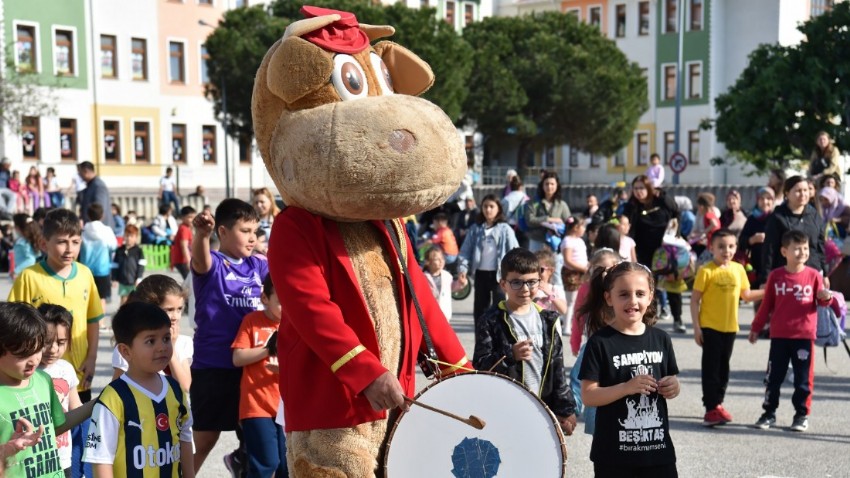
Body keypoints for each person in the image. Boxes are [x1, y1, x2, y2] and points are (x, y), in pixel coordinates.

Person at [7, 208, 103, 478]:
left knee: (76, 435)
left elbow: (93, 319)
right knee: (39, 434)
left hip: (75, 374)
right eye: (61, 241)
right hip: (36, 375)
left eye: (75, 241)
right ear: (43, 243)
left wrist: (93, 356)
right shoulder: (29, 277)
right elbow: (13, 323)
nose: (69, 248)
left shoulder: (85, 274)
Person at [579, 261, 681, 476]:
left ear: (651, 296)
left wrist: (673, 386)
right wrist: (626, 387)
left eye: (640, 294)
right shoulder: (599, 342)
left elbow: (670, 380)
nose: (632, 301)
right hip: (614, 457)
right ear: (609, 298)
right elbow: (588, 396)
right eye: (623, 294)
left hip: (658, 453)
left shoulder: (661, 339)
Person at [190, 198, 268, 473]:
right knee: (205, 437)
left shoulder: (258, 266)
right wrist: (201, 234)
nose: (252, 238)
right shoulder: (213, 266)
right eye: (244, 231)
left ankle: (240, 462)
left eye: (255, 231)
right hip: (214, 366)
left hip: (252, 367)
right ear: (222, 232)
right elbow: (200, 258)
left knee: (257, 439)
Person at [472, 248, 578, 436]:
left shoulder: (548, 320)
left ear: (540, 281)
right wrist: (510, 354)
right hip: (504, 410)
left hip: (541, 407)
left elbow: (557, 368)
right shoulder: (490, 320)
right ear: (503, 284)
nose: (525, 289)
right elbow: (480, 366)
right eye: (516, 283)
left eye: (531, 282)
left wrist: (566, 409)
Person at [83, 302, 195, 477]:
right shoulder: (113, 398)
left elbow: (185, 439)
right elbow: (100, 459)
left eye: (166, 338)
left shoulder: (175, 389)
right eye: (151, 341)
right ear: (125, 351)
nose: (162, 347)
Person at [749, 230, 834, 432]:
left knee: (803, 379)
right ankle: (769, 412)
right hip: (779, 337)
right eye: (797, 248)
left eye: (805, 248)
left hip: (804, 337)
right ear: (784, 251)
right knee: (774, 377)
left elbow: (823, 302)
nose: (802, 252)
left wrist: (825, 296)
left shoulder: (814, 276)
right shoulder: (776, 276)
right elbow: (766, 305)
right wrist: (756, 327)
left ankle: (801, 415)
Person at [0, 302, 96, 478]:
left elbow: (56, 427)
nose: (34, 360)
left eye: (37, 349)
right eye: (23, 353)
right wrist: (9, 449)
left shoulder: (43, 380)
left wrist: (97, 403)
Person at [690, 229, 764, 426]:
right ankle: (710, 408)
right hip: (710, 327)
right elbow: (694, 300)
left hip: (730, 327)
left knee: (724, 368)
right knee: (711, 368)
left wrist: (768, 291)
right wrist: (697, 328)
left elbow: (746, 295)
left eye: (731, 246)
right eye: (721, 247)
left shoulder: (738, 269)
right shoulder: (706, 271)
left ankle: (718, 404)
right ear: (711, 247)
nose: (726, 250)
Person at [231, 274, 287, 477]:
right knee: (266, 463)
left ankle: (237, 462)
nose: (286, 307)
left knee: (286, 466)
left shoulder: (295, 324)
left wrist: (283, 370)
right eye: (281, 302)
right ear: (265, 299)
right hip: (256, 407)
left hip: (286, 408)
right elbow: (238, 358)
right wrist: (268, 350)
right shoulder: (252, 321)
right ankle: (240, 462)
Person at [110, 275, 194, 393]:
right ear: (149, 309)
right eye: (169, 310)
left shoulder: (184, 342)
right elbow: (116, 390)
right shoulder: (132, 346)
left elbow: (185, 387)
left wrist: (172, 347)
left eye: (179, 309)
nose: (175, 316)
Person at [569, 248, 620, 434]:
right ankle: (575, 410)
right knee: (583, 380)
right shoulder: (587, 288)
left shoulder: (621, 288)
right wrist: (575, 343)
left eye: (610, 267)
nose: (605, 273)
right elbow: (578, 317)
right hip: (593, 344)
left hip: (618, 346)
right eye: (600, 268)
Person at [457, 194, 519, 325]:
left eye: (492, 206)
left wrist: (514, 274)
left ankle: (500, 340)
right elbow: (465, 251)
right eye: (485, 206)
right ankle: (481, 341)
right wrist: (462, 268)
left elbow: (515, 252)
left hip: (499, 276)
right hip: (480, 274)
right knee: (480, 311)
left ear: (498, 209)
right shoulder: (475, 229)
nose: (488, 209)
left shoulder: (505, 229)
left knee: (500, 309)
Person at [37, 304, 83, 477]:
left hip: (63, 456)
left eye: (61, 342)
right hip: (34, 457)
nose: (53, 349)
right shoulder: (27, 370)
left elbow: (76, 406)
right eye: (46, 342)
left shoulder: (67, 369)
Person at [761, 175, 827, 286]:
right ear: (787, 193)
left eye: (805, 190)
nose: (803, 194)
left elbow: (820, 246)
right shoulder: (778, 217)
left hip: (812, 271)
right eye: (798, 191)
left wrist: (824, 274)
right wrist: (766, 278)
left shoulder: (814, 215)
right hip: (786, 275)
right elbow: (769, 249)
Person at [622, 175, 678, 268]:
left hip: (663, 247)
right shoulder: (631, 206)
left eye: (641, 188)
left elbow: (676, 212)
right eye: (635, 188)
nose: (638, 191)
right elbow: (625, 222)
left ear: (648, 188)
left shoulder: (661, 199)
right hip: (642, 250)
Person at [80, 203, 118, 314]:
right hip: (103, 269)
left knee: (86, 296)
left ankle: (87, 321)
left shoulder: (83, 231)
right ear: (102, 215)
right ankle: (100, 324)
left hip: (85, 269)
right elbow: (113, 246)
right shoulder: (106, 230)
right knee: (102, 298)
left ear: (88, 215)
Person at [738, 187, 776, 292]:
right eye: (762, 199)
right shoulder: (752, 219)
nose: (765, 202)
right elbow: (741, 241)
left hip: (775, 263)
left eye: (768, 199)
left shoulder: (777, 218)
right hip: (756, 264)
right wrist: (752, 240)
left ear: (773, 201)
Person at [525, 171, 571, 252]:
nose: (549, 186)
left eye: (552, 184)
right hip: (537, 241)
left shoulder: (561, 204)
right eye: (546, 184)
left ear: (557, 185)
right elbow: (530, 220)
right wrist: (549, 219)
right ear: (542, 185)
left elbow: (569, 223)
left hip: (555, 242)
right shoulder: (534, 202)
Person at [560, 217, 588, 335]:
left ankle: (577, 324)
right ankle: (566, 326)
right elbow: (568, 260)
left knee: (581, 299)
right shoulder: (568, 240)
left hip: (582, 273)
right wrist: (583, 268)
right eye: (583, 226)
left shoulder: (580, 241)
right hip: (572, 273)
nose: (584, 229)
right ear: (576, 227)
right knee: (571, 300)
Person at [112, 225, 145, 305]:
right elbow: (115, 266)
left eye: (131, 236)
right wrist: (114, 278)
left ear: (136, 237)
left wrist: (139, 278)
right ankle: (123, 315)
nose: (129, 238)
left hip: (134, 281)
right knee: (123, 300)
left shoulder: (138, 251)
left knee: (134, 300)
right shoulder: (119, 250)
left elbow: (141, 265)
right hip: (123, 281)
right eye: (127, 235)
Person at [77, 161, 114, 228]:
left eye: (80, 173)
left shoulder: (98, 186)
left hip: (100, 229)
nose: (79, 176)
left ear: (86, 171)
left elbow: (99, 208)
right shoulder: (91, 185)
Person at [423, 246, 454, 321]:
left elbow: (452, 287)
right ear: (428, 262)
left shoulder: (447, 276)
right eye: (437, 259)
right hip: (429, 316)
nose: (441, 261)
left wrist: (460, 283)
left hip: (445, 314)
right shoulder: (424, 277)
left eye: (442, 258)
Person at [688, 192, 721, 257]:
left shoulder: (708, 215)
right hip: (711, 243)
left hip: (712, 243)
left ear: (702, 207)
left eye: (698, 206)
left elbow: (714, 224)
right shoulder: (712, 214)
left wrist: (703, 232)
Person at [11, 214, 40, 279]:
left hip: (26, 274)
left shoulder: (23, 242)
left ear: (17, 227)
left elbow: (31, 259)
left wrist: (16, 271)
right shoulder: (28, 240)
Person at [171, 206, 196, 279]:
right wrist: (188, 262)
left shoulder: (187, 228)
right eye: (189, 217)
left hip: (183, 260)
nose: (192, 220)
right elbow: (184, 246)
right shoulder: (184, 229)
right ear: (182, 218)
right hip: (182, 260)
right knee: (189, 280)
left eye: (194, 217)